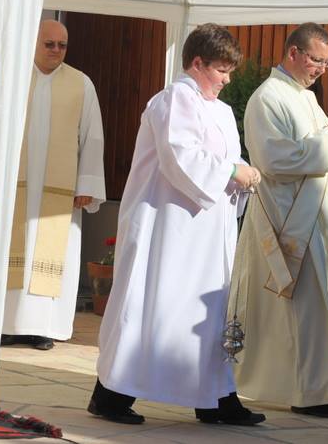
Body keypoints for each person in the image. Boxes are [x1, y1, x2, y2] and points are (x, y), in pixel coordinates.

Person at [89, 23, 265, 426]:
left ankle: (215, 398)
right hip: (165, 228)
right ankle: (111, 395)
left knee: (205, 312)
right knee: (153, 305)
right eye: (221, 70)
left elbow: (223, 161)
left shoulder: (222, 111)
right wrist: (233, 172)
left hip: (206, 233)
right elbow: (180, 155)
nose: (227, 80)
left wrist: (242, 174)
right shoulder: (172, 99)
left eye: (230, 71)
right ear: (197, 63)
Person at [230, 22, 328, 418]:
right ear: (293, 53)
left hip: (312, 220)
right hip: (283, 221)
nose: (321, 69)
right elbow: (273, 159)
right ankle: (307, 393)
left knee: (312, 308)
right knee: (294, 310)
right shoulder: (267, 98)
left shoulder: (306, 98)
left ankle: (312, 390)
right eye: (317, 60)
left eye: (327, 63)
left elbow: (324, 154)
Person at [0, 19, 106, 351]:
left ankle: (44, 327)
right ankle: (8, 325)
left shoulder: (81, 84)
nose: (56, 50)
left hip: (60, 194)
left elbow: (93, 137)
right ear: (34, 43)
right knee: (14, 253)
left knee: (53, 256)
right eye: (49, 44)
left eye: (62, 45)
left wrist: (86, 183)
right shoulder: (12, 80)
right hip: (17, 187)